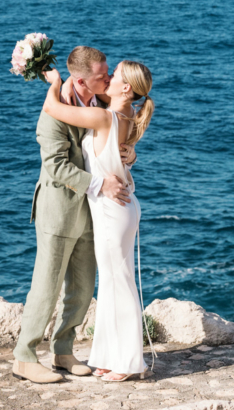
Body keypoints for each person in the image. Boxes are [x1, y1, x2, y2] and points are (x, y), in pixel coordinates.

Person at [12, 46, 137, 384]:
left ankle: (63, 351)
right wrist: (102, 185)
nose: (109, 78)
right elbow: (56, 167)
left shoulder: (100, 104)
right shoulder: (53, 113)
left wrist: (128, 153)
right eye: (102, 76)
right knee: (47, 286)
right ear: (82, 80)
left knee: (82, 289)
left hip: (93, 213)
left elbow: (108, 142)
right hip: (59, 211)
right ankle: (24, 357)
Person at [41, 59, 154, 381]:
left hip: (111, 209)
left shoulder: (104, 118)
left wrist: (54, 81)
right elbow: (99, 96)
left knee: (120, 284)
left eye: (114, 75)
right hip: (119, 207)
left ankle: (129, 363)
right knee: (112, 284)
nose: (108, 79)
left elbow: (53, 108)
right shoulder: (128, 113)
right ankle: (108, 357)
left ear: (125, 87)